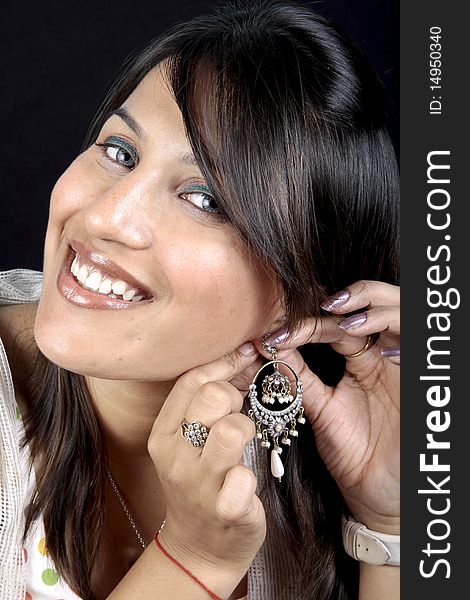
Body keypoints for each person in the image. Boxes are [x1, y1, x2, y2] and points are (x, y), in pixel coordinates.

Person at [0, 1, 400, 598]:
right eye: (120, 151)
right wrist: (193, 562)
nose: (106, 216)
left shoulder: (327, 437)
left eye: (205, 198)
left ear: (298, 299)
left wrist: (390, 522)